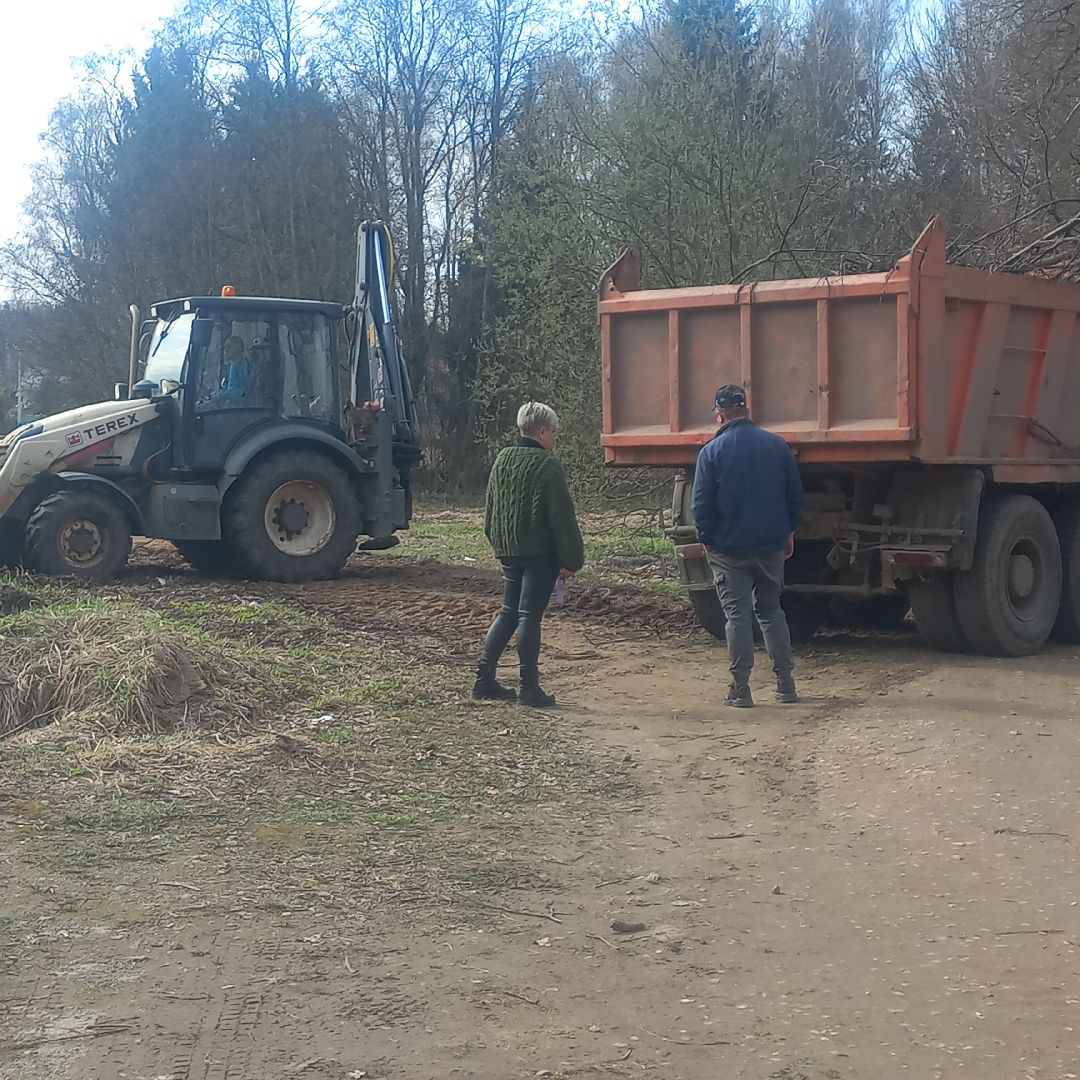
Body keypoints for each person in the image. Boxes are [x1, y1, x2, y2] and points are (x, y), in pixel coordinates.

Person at [691, 384, 805, 709]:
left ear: (719, 414)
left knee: (737, 617)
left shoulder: (711, 452)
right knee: (771, 611)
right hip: (771, 547)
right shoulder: (777, 446)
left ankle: (741, 689)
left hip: (728, 550)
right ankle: (786, 684)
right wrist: (788, 532)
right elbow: (795, 497)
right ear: (746, 409)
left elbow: (701, 506)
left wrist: (708, 539)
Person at [474, 401, 585, 707]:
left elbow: (490, 512)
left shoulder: (502, 460)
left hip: (508, 550)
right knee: (529, 616)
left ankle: (484, 681)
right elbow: (562, 519)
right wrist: (572, 560)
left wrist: (499, 543)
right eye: (554, 432)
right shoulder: (548, 466)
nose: (555, 438)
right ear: (542, 431)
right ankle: (529, 689)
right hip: (539, 554)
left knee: (508, 612)